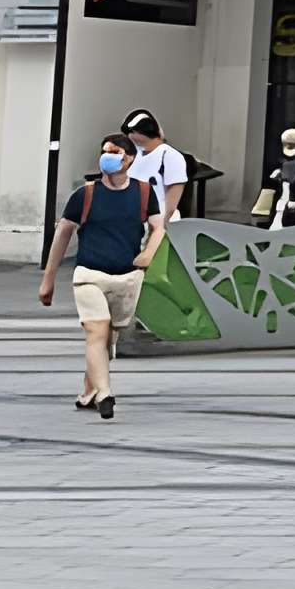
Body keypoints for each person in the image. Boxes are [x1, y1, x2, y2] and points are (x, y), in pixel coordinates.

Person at [37, 132, 165, 419]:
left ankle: (88, 393)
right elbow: (62, 235)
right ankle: (106, 393)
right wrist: (49, 279)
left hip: (127, 277)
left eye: (115, 151)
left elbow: (159, 228)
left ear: (129, 158)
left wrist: (148, 254)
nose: (108, 155)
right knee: (97, 331)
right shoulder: (86, 194)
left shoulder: (144, 193)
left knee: (107, 340)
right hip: (89, 275)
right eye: (105, 150)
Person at [119, 110, 188, 222]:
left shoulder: (170, 156)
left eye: (132, 132)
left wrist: (161, 226)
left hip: (159, 221)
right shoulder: (133, 154)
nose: (128, 136)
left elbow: (171, 204)